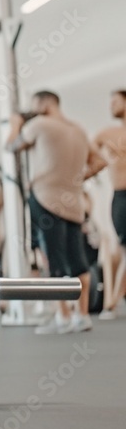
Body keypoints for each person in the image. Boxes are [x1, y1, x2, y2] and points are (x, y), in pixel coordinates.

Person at [7, 90, 107, 334]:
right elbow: (100, 162)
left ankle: (63, 317)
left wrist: (15, 123)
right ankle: (81, 316)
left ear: (45, 103)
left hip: (45, 199)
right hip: (73, 202)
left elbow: (11, 145)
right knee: (78, 261)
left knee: (53, 260)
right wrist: (75, 180)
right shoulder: (79, 130)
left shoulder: (40, 125)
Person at [93, 89, 126, 318]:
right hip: (121, 196)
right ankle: (112, 301)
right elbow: (88, 151)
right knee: (123, 247)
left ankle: (112, 302)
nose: (111, 106)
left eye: (115, 101)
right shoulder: (107, 133)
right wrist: (105, 159)